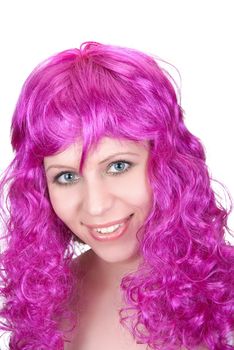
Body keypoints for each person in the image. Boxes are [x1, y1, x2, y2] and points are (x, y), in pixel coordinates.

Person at [0, 41, 233, 350]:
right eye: (66, 176)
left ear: (166, 161)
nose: (96, 206)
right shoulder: (42, 301)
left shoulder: (224, 291)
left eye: (118, 166)